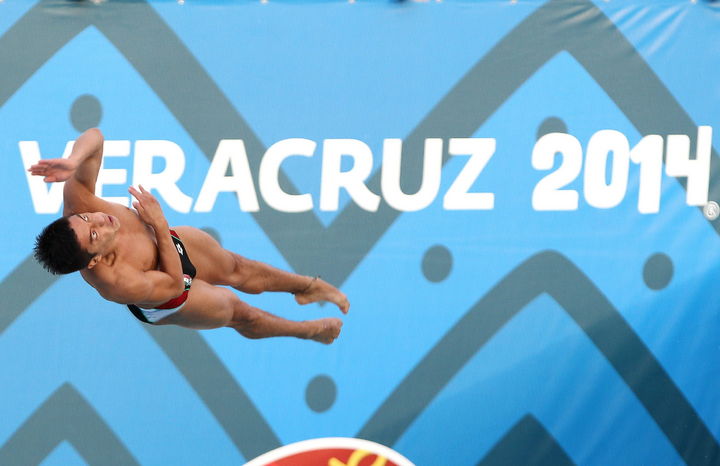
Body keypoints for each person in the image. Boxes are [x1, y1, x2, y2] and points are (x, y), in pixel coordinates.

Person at [30, 128, 348, 344]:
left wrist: (74, 160)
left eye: (87, 219)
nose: (100, 218)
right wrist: (157, 223)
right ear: (95, 259)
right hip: (171, 297)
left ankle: (308, 287)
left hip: (165, 240)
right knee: (240, 313)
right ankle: (308, 331)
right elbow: (172, 283)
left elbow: (95, 137)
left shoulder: (78, 205)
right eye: (96, 233)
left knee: (239, 269)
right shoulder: (117, 282)